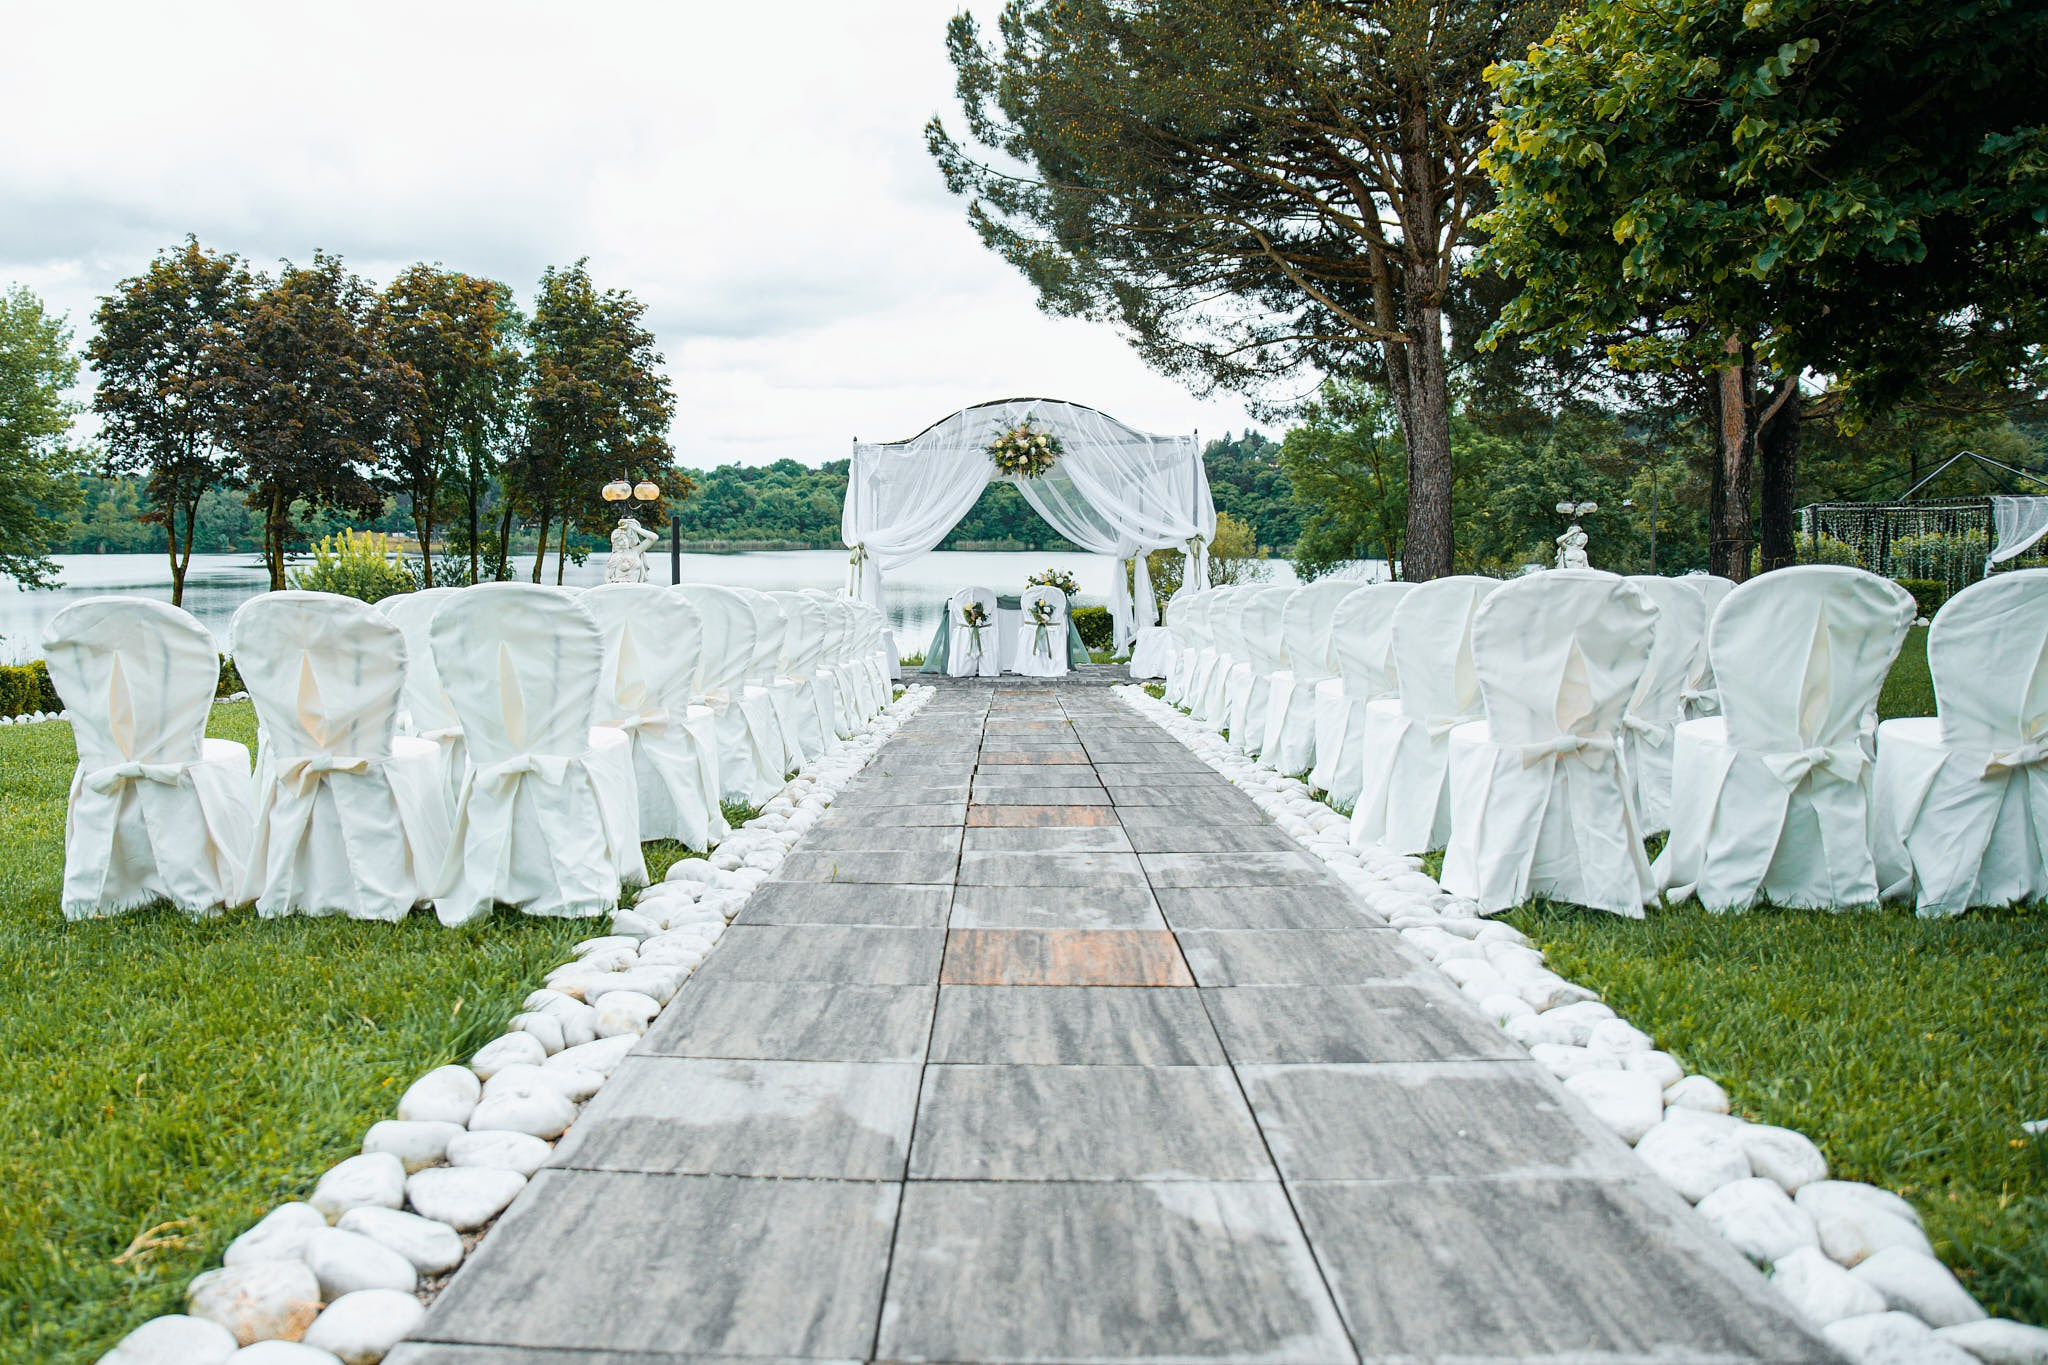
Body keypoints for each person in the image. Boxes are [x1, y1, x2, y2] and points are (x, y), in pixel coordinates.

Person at [605, 515, 659, 583]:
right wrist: (614, 582)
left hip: (637, 587)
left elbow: (654, 538)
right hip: (622, 588)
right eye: (617, 542)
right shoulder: (615, 557)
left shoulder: (636, 551)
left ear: (627, 539)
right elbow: (607, 578)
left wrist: (636, 528)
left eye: (622, 540)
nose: (620, 543)